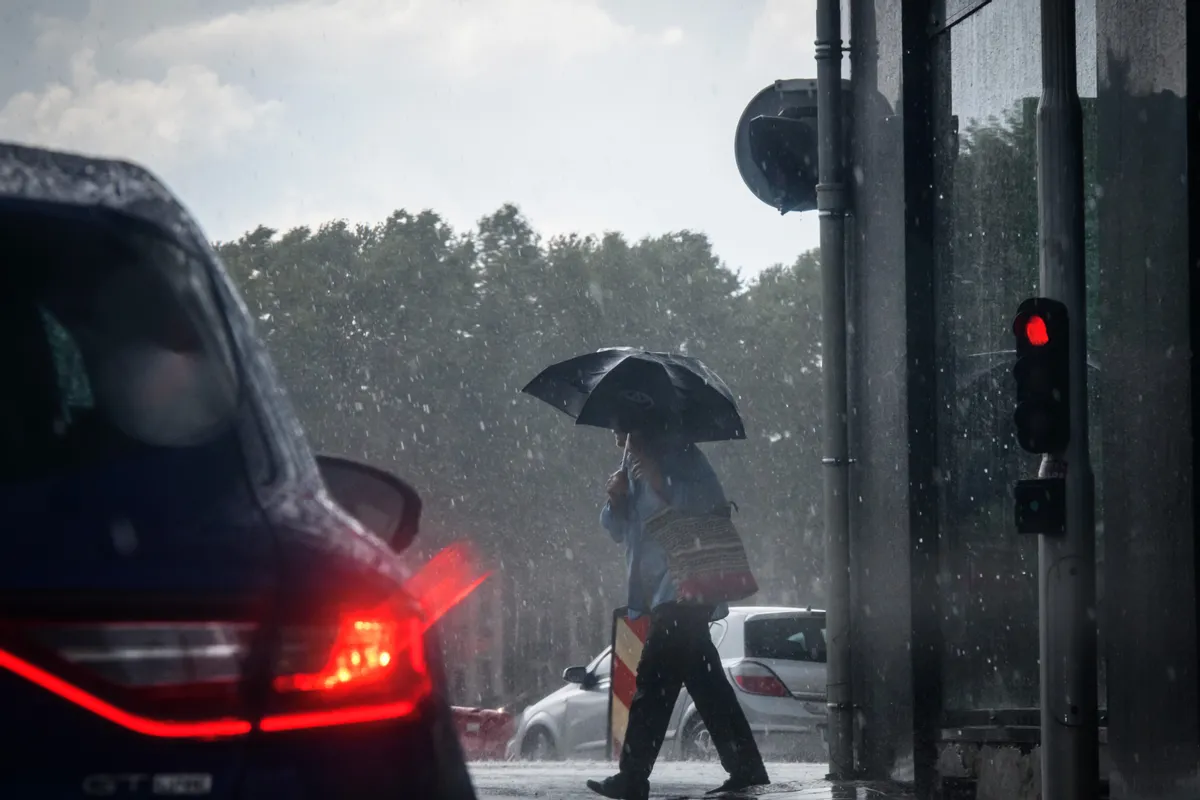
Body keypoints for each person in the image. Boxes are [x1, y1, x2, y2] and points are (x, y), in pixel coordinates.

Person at [586, 429, 769, 800]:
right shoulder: (629, 466)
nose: (616, 434)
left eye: (621, 425)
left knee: (653, 680)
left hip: (686, 586)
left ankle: (633, 777)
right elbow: (618, 531)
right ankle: (746, 766)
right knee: (706, 682)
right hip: (661, 591)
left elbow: (701, 503)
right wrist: (616, 499)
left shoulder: (682, 454)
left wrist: (656, 475)